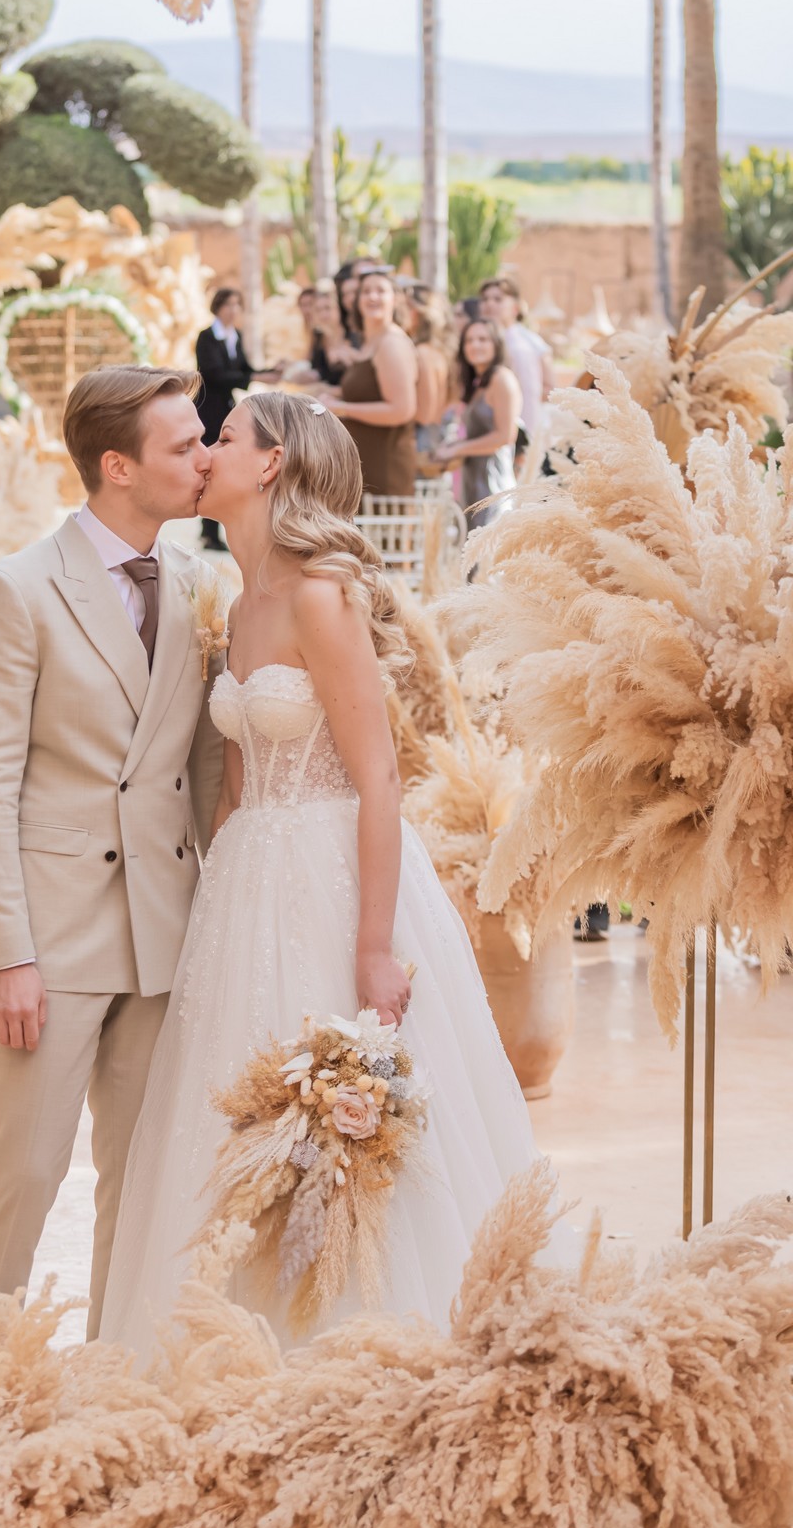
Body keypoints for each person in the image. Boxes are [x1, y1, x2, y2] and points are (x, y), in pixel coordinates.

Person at [100, 392, 551, 1355]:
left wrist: (376, 944)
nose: (206, 452)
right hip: (245, 885)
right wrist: (210, 896)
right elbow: (234, 783)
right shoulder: (237, 595)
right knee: (232, 1119)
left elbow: (380, 773)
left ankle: (364, 1340)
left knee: (351, 1130)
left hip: (331, 875)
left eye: (222, 437)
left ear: (268, 466)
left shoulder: (318, 593)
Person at [0, 364, 226, 1339]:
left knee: (142, 1178)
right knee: (24, 1169)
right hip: (53, 938)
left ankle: (114, 1379)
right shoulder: (15, 592)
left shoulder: (203, 587)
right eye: (185, 445)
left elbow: (199, 768)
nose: (205, 456)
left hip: (166, 929)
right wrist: (4, 953)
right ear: (118, 466)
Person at [193, 287, 278, 551]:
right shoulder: (206, 337)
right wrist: (255, 378)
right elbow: (214, 373)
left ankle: (220, 529)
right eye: (227, 304)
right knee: (209, 464)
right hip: (209, 409)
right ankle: (208, 532)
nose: (232, 310)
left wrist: (270, 372)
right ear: (217, 307)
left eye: (236, 304)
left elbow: (244, 369)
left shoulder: (235, 336)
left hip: (227, 409)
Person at [325, 268, 418, 499]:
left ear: (395, 299)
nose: (372, 297)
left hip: (385, 468)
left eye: (381, 290)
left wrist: (340, 409)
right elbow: (372, 390)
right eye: (366, 291)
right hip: (363, 466)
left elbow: (402, 409)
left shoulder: (392, 343)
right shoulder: (370, 343)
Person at [440, 317, 522, 531]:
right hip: (472, 485)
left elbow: (505, 436)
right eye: (469, 340)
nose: (475, 345)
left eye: (483, 339)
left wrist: (457, 449)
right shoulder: (477, 383)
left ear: (497, 343)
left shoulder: (502, 379)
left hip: (493, 486)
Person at [479, 276, 553, 444]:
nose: (490, 304)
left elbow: (531, 396)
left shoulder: (520, 346)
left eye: (498, 299)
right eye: (485, 299)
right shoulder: (485, 339)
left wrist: (523, 442)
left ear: (515, 308)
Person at [398, 281, 454, 458]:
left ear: (415, 313)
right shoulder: (436, 350)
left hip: (423, 441)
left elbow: (426, 413)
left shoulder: (423, 353)